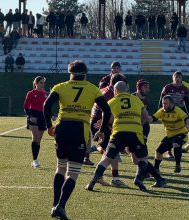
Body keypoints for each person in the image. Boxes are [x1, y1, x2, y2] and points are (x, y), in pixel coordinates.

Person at [43, 60, 111, 220]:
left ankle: (54, 204)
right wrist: (102, 131)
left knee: (60, 168)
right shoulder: (92, 89)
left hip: (62, 127)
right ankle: (61, 205)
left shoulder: (60, 86)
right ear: (85, 74)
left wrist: (49, 126)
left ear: (70, 73)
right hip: (79, 130)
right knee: (72, 172)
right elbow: (107, 110)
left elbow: (46, 106)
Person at [86, 81, 163, 192]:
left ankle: (92, 182)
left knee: (106, 159)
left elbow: (109, 118)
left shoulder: (112, 101)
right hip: (135, 132)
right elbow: (146, 117)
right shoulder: (137, 100)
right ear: (127, 90)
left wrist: (103, 125)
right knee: (143, 159)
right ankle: (138, 178)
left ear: (116, 91)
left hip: (118, 133)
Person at [89, 74, 128, 187]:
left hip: (101, 122)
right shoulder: (110, 94)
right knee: (112, 151)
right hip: (101, 124)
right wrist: (101, 122)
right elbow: (106, 110)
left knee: (110, 151)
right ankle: (114, 178)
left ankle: (104, 176)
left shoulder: (105, 90)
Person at [152, 95, 189, 173]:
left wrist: (188, 124)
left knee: (175, 143)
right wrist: (143, 118)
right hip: (170, 135)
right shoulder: (162, 111)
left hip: (181, 134)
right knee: (158, 151)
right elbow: (152, 119)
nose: (164, 105)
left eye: (166, 103)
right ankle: (155, 169)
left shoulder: (178, 110)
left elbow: (186, 118)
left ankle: (178, 165)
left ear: (172, 104)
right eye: (163, 103)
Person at [158, 71, 189, 159]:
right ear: (173, 78)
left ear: (182, 79)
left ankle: (177, 147)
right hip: (169, 112)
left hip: (180, 112)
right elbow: (161, 100)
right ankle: (169, 152)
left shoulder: (184, 89)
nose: (178, 79)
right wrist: (160, 112)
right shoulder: (168, 87)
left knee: (183, 130)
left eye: (180, 77)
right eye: (176, 77)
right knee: (170, 130)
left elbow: (187, 103)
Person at [23, 76, 47, 168]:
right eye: (41, 82)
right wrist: (31, 116)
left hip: (42, 117)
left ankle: (35, 159)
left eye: (43, 83)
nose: (42, 84)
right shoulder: (30, 93)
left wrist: (52, 115)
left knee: (39, 141)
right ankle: (35, 160)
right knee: (35, 138)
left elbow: (46, 107)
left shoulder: (45, 94)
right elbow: (25, 107)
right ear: (36, 83)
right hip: (33, 116)